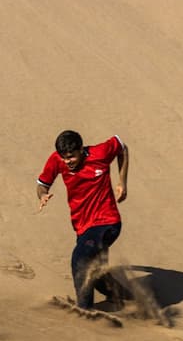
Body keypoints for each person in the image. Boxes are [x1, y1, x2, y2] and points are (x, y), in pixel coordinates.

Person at [35, 130, 130, 309]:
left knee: (80, 259)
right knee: (97, 273)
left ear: (81, 149)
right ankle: (127, 298)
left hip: (107, 222)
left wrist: (122, 182)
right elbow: (42, 184)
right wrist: (42, 195)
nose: (67, 162)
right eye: (64, 157)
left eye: (71, 157)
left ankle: (85, 313)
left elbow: (122, 147)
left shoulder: (100, 153)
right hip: (83, 226)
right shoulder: (56, 160)